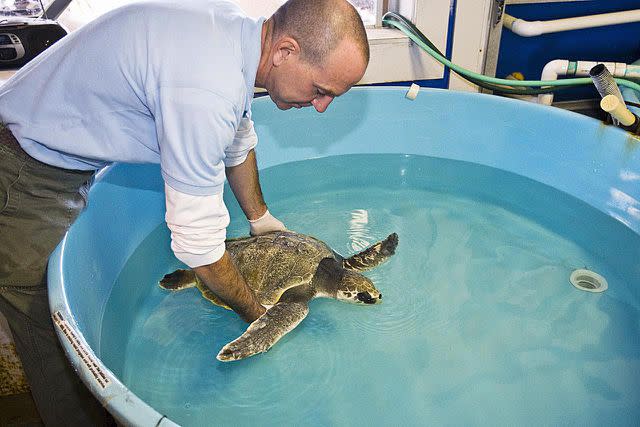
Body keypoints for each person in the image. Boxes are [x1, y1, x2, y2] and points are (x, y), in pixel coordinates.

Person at [0, 0, 369, 424]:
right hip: (19, 170)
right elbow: (198, 247)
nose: (321, 106)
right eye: (321, 90)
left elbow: (237, 137)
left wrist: (260, 219)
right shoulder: (205, 93)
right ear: (285, 51)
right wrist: (258, 315)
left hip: (43, 148)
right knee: (53, 330)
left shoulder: (235, 35)